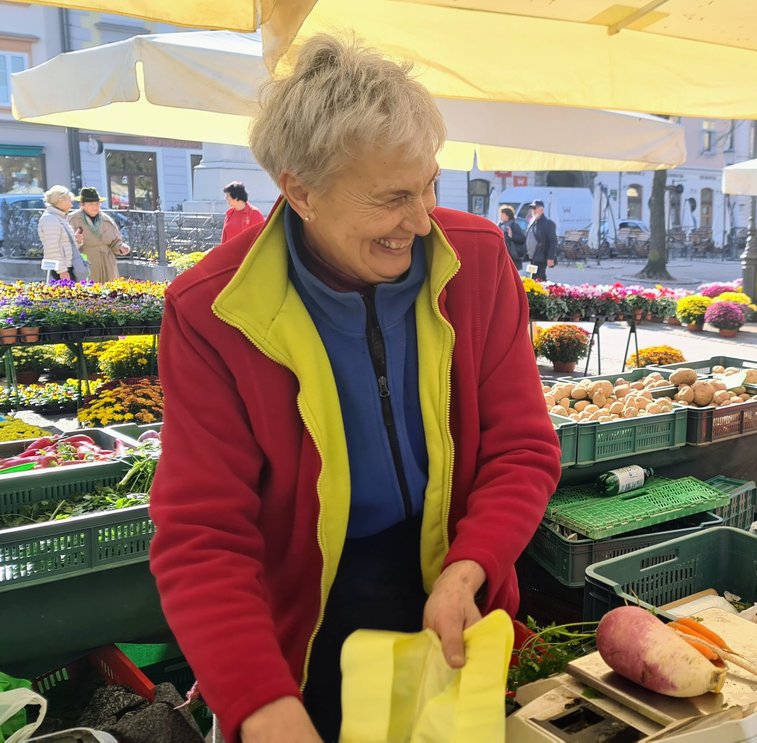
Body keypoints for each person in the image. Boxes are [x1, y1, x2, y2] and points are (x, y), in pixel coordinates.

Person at [148, 35, 561, 743]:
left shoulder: (479, 262)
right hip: (304, 631)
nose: (423, 219)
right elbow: (203, 535)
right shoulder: (211, 311)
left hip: (455, 590)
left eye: (429, 185)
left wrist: (470, 566)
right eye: (393, 197)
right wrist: (260, 702)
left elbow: (522, 446)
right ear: (299, 189)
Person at [68, 187, 131, 282]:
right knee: (89, 293)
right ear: (82, 204)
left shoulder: (106, 220)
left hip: (107, 264)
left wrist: (121, 247)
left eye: (97, 204)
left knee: (110, 293)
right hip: (86, 264)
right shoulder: (73, 219)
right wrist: (77, 241)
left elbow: (115, 242)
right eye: (91, 204)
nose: (95, 207)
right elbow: (66, 245)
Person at [38, 185, 89, 282]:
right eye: (69, 200)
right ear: (60, 201)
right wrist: (62, 271)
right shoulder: (50, 219)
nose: (71, 205)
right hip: (63, 269)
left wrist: (77, 240)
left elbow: (65, 245)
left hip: (67, 266)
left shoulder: (58, 217)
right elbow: (52, 248)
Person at [525, 199, 558, 281]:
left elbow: (553, 242)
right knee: (536, 279)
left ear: (542, 210)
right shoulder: (533, 221)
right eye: (532, 208)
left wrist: (550, 258)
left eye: (535, 208)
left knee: (536, 279)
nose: (533, 210)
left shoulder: (548, 223)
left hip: (541, 257)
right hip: (532, 257)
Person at [498, 205, 527, 270]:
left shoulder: (514, 225)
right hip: (503, 256)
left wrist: (512, 236)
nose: (500, 215)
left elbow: (522, 238)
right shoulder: (500, 225)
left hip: (513, 258)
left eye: (502, 214)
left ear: (508, 216)